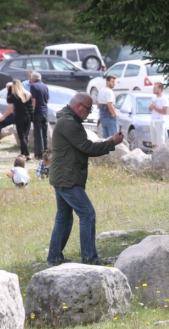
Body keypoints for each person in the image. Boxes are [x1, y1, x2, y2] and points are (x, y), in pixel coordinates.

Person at [47, 93, 124, 266]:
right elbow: (87, 147)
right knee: (87, 214)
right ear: (78, 107)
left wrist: (109, 141)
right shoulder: (69, 123)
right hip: (67, 178)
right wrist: (112, 142)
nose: (90, 113)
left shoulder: (68, 120)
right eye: (89, 109)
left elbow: (83, 146)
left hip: (63, 176)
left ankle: (54, 258)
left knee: (64, 217)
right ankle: (89, 259)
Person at [7, 80, 33, 160]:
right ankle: (22, 153)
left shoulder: (14, 96)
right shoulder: (27, 94)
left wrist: (9, 90)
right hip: (27, 117)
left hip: (19, 117)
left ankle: (28, 155)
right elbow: (31, 108)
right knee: (25, 136)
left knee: (21, 137)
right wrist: (31, 118)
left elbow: (8, 100)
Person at [30, 71, 50, 160]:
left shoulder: (33, 86)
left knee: (38, 134)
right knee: (45, 133)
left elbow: (33, 100)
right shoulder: (45, 86)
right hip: (45, 112)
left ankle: (39, 154)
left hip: (37, 112)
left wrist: (32, 112)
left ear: (32, 79)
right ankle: (46, 152)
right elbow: (47, 100)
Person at [149, 82, 169, 148]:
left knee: (160, 141)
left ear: (159, 89)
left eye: (155, 88)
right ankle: (154, 154)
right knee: (154, 141)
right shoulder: (153, 98)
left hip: (160, 121)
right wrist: (151, 106)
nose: (153, 89)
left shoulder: (164, 99)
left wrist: (155, 107)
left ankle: (161, 156)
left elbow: (164, 112)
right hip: (153, 121)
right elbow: (150, 110)